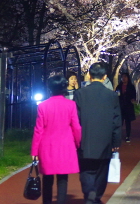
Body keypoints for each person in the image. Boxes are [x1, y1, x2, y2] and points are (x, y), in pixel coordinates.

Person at [73, 62, 122, 204]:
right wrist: (116, 141)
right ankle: (97, 196)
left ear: (89, 75)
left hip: (85, 139)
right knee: (102, 170)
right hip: (105, 139)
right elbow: (116, 120)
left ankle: (89, 194)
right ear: (105, 77)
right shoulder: (111, 95)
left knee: (86, 169)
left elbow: (75, 119)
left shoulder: (80, 94)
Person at [31, 74, 81, 204]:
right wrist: (77, 142)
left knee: (47, 179)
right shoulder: (71, 105)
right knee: (63, 178)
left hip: (47, 146)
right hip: (66, 145)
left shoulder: (43, 106)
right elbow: (76, 127)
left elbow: (38, 130)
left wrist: (34, 151)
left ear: (50, 88)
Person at [116, 73, 137, 143]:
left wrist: (133, 99)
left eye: (125, 77)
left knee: (128, 122)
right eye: (122, 77)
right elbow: (116, 95)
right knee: (120, 122)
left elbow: (134, 95)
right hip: (121, 106)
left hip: (128, 106)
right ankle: (118, 136)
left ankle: (128, 136)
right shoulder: (119, 86)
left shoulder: (131, 86)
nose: (124, 78)